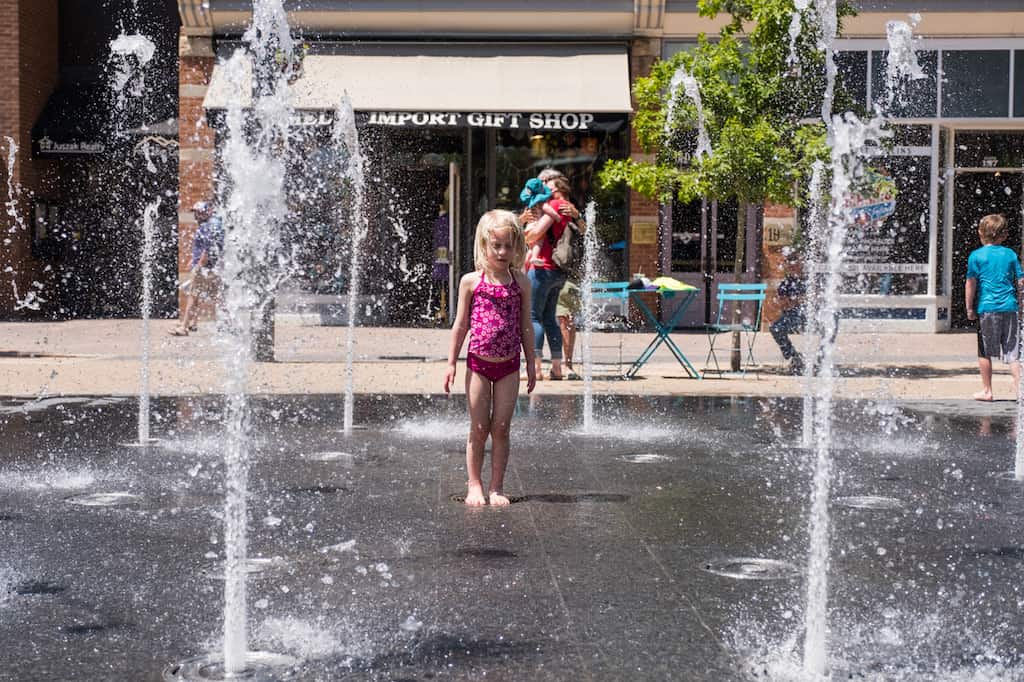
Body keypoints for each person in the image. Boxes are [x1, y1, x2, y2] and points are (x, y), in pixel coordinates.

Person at [444, 210, 536, 506]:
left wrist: (532, 364)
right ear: (483, 246)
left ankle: (496, 487)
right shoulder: (471, 282)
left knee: (501, 428)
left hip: (509, 366)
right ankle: (474, 484)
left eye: (508, 245)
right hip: (478, 365)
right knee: (479, 428)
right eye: (496, 245)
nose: (502, 251)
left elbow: (525, 325)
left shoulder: (520, 282)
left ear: (517, 246)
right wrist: (450, 364)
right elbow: (460, 325)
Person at [521, 175, 579, 380]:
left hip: (542, 268)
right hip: (557, 271)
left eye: (549, 186)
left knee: (532, 317)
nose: (545, 188)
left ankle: (534, 369)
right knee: (549, 318)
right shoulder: (569, 210)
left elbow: (536, 233)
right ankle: (556, 367)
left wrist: (527, 234)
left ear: (557, 190)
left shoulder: (555, 204)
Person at [965, 213, 1024, 402]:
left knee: (984, 351)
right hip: (1010, 307)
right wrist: (1020, 305)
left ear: (980, 233)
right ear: (1004, 235)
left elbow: (970, 284)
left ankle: (987, 390)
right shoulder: (1010, 254)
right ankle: (1020, 392)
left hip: (987, 309)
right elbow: (1021, 282)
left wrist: (969, 308)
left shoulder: (976, 256)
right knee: (1014, 353)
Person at [171, 200, 223, 336]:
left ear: (207, 212)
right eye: (195, 212)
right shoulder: (211, 224)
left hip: (205, 267)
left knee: (193, 296)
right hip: (210, 267)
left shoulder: (208, 226)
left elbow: (208, 249)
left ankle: (184, 327)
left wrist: (199, 265)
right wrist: (192, 261)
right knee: (214, 297)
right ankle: (194, 322)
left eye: (199, 212)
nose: (196, 216)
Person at [556, 279, 581, 379]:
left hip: (559, 282)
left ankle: (564, 366)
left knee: (566, 324)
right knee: (568, 324)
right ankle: (567, 365)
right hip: (570, 282)